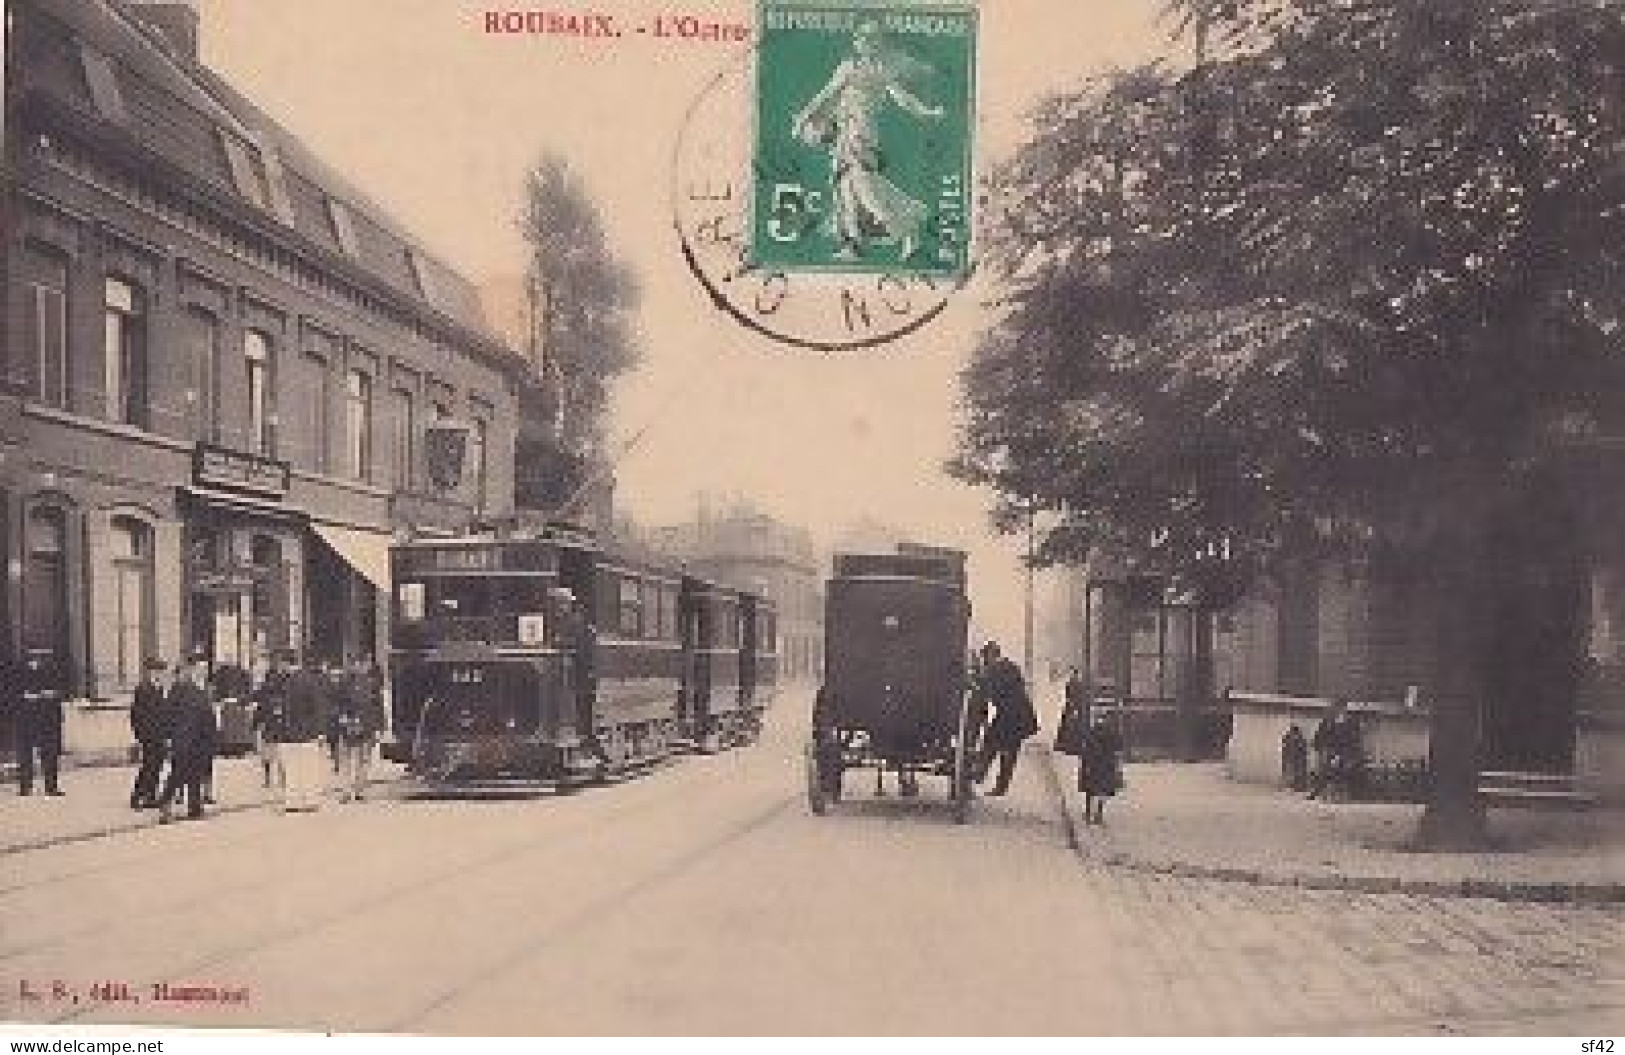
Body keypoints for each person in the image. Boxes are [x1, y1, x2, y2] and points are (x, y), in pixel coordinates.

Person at [791, 18, 944, 262]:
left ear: (880, 42)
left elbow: (902, 98)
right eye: (863, 37)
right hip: (845, 134)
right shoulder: (848, 67)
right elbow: (826, 95)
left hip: (862, 135)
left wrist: (926, 112)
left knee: (867, 189)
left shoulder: (883, 70)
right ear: (857, 42)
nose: (868, 42)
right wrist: (804, 119)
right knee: (845, 190)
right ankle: (854, 245)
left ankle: (909, 227)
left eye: (874, 37)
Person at [974, 641, 1038, 797]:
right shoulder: (1010, 666)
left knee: (996, 745)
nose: (984, 661)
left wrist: (981, 716)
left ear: (991, 656)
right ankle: (992, 781)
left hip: (1011, 716)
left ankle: (982, 775)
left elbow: (986, 694)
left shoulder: (994, 671)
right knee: (1006, 751)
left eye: (985, 658)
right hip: (1018, 715)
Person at [158, 655, 217, 822]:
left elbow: (209, 717)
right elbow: (168, 714)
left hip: (201, 740)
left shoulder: (204, 690)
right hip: (183, 739)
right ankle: (165, 803)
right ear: (191, 669)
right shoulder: (180, 689)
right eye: (200, 668)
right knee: (178, 773)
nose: (203, 672)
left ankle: (195, 807)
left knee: (196, 774)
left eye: (205, 669)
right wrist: (169, 737)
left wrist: (212, 738)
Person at [279, 655, 329, 812]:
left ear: (287, 664)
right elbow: (319, 706)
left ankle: (294, 800)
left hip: (294, 732)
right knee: (306, 766)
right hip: (307, 732)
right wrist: (320, 731)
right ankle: (309, 799)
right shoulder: (309, 680)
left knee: (294, 767)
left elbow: (316, 706)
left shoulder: (289, 682)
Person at [15, 649, 68, 797]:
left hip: (48, 719)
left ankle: (51, 786)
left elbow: (63, 689)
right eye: (34, 656)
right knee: (25, 753)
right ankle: (25, 786)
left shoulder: (54, 668)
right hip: (26, 718)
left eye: (41, 656)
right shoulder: (18, 670)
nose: (38, 659)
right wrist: (24, 697)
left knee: (50, 753)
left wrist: (52, 695)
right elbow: (10, 692)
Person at [333, 657, 384, 802]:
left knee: (364, 759)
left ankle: (359, 789)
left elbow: (378, 706)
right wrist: (341, 717)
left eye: (363, 664)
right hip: (349, 724)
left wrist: (380, 727)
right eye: (357, 664)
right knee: (348, 758)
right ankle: (347, 790)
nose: (360, 667)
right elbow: (337, 703)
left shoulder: (373, 684)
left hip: (367, 725)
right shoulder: (344, 684)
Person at [129, 656, 172, 809]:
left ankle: (150, 796)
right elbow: (136, 715)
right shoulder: (143, 689)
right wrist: (139, 736)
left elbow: (163, 713)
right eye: (156, 671)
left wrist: (166, 733)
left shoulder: (159, 689)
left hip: (159, 734)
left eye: (161, 671)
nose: (159, 674)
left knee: (157, 765)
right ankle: (137, 796)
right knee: (148, 766)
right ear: (149, 672)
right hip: (148, 735)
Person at [251, 650, 293, 791]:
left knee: (279, 751)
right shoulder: (272, 681)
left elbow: (260, 699)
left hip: (278, 722)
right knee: (269, 752)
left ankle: (279, 778)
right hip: (271, 721)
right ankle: (270, 778)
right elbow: (260, 699)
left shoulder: (287, 680)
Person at [1078, 718, 1125, 825]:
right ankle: (1097, 813)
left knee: (1091, 789)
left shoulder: (1091, 733)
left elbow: (1085, 750)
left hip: (1095, 763)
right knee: (1102, 789)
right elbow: (1118, 748)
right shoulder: (1112, 733)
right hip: (1105, 764)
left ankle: (1089, 812)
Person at [1281, 723, 1310, 793]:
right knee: (1295, 772)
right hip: (1295, 758)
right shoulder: (1291, 737)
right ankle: (1295, 786)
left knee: (1297, 773)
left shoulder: (1295, 738)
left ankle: (1297, 786)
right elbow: (1285, 747)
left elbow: (1303, 749)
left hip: (1296, 758)